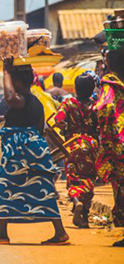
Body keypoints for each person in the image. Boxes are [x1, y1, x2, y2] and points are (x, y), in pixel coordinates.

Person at [0, 58, 69, 245]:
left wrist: (6, 72)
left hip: (19, 153)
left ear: (17, 82)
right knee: (43, 188)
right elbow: (34, 125)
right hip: (34, 152)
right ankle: (59, 232)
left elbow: (11, 98)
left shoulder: (18, 99)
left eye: (12, 81)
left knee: (4, 187)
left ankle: (2, 234)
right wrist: (3, 118)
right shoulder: (35, 102)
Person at [54, 73, 99, 228]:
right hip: (92, 145)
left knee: (74, 177)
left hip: (73, 145)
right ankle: (84, 217)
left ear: (76, 88)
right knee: (89, 178)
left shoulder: (69, 103)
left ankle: (76, 200)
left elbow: (58, 121)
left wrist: (66, 130)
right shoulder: (96, 104)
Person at [94, 49, 124, 247]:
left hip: (118, 143)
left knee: (121, 187)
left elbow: (105, 107)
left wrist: (106, 129)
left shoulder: (110, 82)